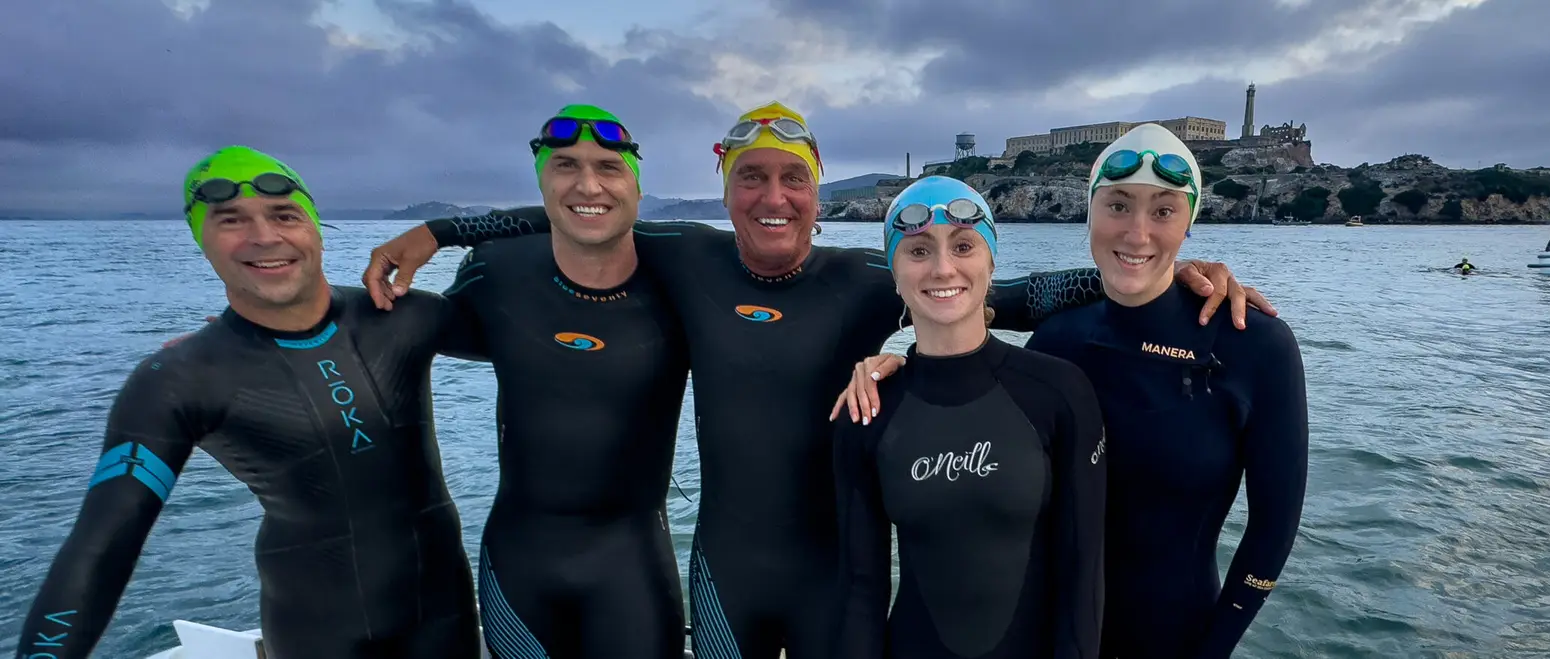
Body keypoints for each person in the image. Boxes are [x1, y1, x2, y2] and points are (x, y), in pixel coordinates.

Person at [359, 102, 1274, 659]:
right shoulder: (685, 259)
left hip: (839, 577)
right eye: (749, 176)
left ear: (819, 193)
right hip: (726, 571)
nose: (770, 196)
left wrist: (1175, 277)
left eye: (791, 179)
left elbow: (1007, 289)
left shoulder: (866, 281)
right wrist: (445, 233)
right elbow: (583, 211)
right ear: (722, 190)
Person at [838, 124, 1309, 659]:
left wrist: (1213, 650)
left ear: (1190, 221)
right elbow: (969, 299)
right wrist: (901, 366)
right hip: (1042, 635)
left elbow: (1272, 535)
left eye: (1163, 210)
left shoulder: (1254, 345)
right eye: (1117, 205)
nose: (1137, 232)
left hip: (1176, 638)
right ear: (1089, 211)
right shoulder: (1059, 339)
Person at [14, 147, 484, 659]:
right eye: (230, 220)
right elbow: (100, 550)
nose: (263, 237)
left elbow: (562, 282)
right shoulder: (178, 380)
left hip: (448, 622)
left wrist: (442, 231)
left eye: (284, 215)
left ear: (315, 228)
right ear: (201, 240)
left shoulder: (402, 317)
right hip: (319, 635)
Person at [446, 104, 692, 658]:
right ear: (541, 179)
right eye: (565, 165)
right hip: (520, 565)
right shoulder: (497, 271)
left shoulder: (679, 278)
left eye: (608, 166)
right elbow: (398, 331)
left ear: (635, 184)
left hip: (633, 564)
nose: (588, 184)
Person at [834, 177, 1106, 659]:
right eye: (918, 251)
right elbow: (861, 589)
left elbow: (1082, 573)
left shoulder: (1059, 392)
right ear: (894, 273)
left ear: (991, 261)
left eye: (963, 246)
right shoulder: (869, 410)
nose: (943, 268)